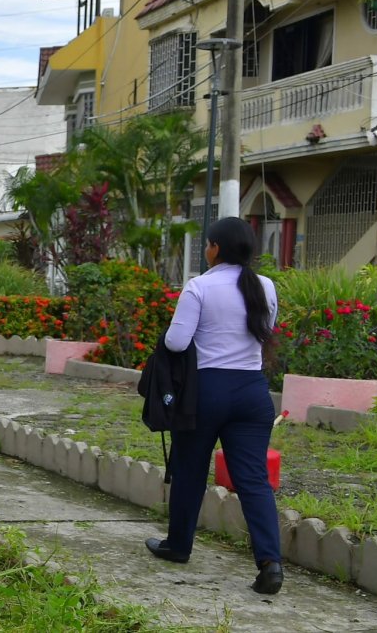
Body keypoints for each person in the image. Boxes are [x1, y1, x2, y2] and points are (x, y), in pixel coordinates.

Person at [144, 217, 283, 595]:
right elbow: (264, 332)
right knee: (253, 479)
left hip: (206, 391)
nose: (206, 250)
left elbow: (175, 342)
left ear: (216, 248)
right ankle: (270, 563)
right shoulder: (265, 286)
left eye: (207, 244)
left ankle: (178, 546)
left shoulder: (200, 286)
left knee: (190, 470)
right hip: (253, 393)